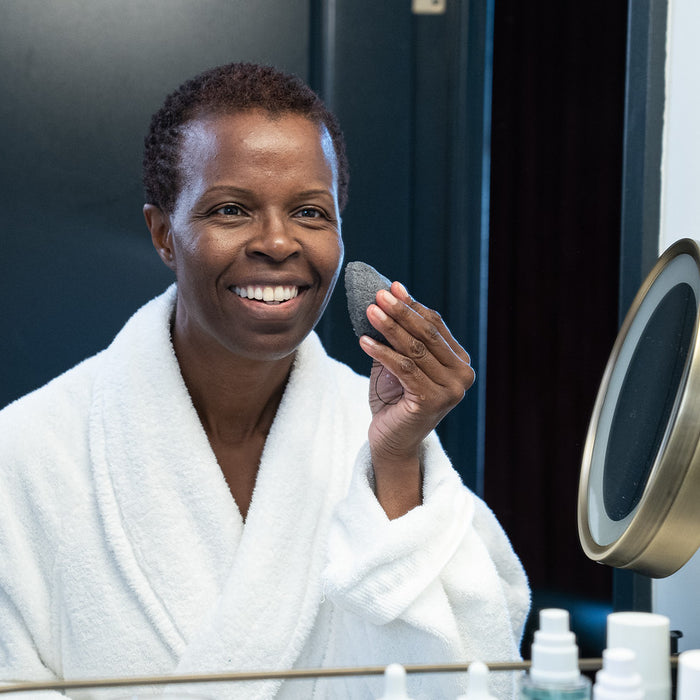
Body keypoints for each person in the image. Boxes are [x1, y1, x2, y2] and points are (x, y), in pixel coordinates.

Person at [0, 63, 529, 699]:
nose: (278, 243)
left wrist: (394, 461)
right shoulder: (27, 452)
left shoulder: (377, 435)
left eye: (311, 211)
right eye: (231, 209)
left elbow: (473, 675)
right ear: (164, 234)